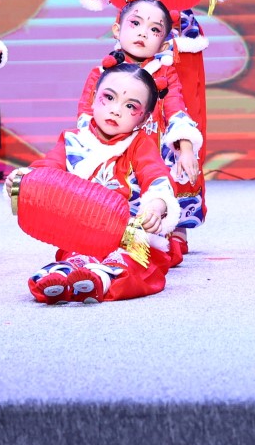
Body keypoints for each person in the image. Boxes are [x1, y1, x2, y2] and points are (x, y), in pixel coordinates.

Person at [81, 0, 235, 233]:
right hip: (136, 52)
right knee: (134, 120)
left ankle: (179, 215)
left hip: (181, 49)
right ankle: (133, 207)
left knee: (183, 120)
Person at [12, 64, 179, 304]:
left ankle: (100, 279)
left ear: (143, 118)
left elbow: (156, 174)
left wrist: (156, 205)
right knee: (76, 256)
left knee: (129, 263)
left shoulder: (140, 144)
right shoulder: (72, 140)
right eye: (108, 98)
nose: (115, 110)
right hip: (84, 230)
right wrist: (24, 181)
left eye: (130, 106)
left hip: (127, 234)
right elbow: (47, 171)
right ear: (93, 98)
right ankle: (61, 279)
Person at [73, 0, 202, 263]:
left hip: (151, 149)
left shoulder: (164, 73)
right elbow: (86, 113)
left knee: (173, 162)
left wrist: (187, 147)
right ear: (117, 29)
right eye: (135, 23)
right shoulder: (102, 72)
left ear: (163, 43)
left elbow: (176, 108)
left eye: (154, 29)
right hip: (115, 150)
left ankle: (172, 228)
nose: (143, 33)